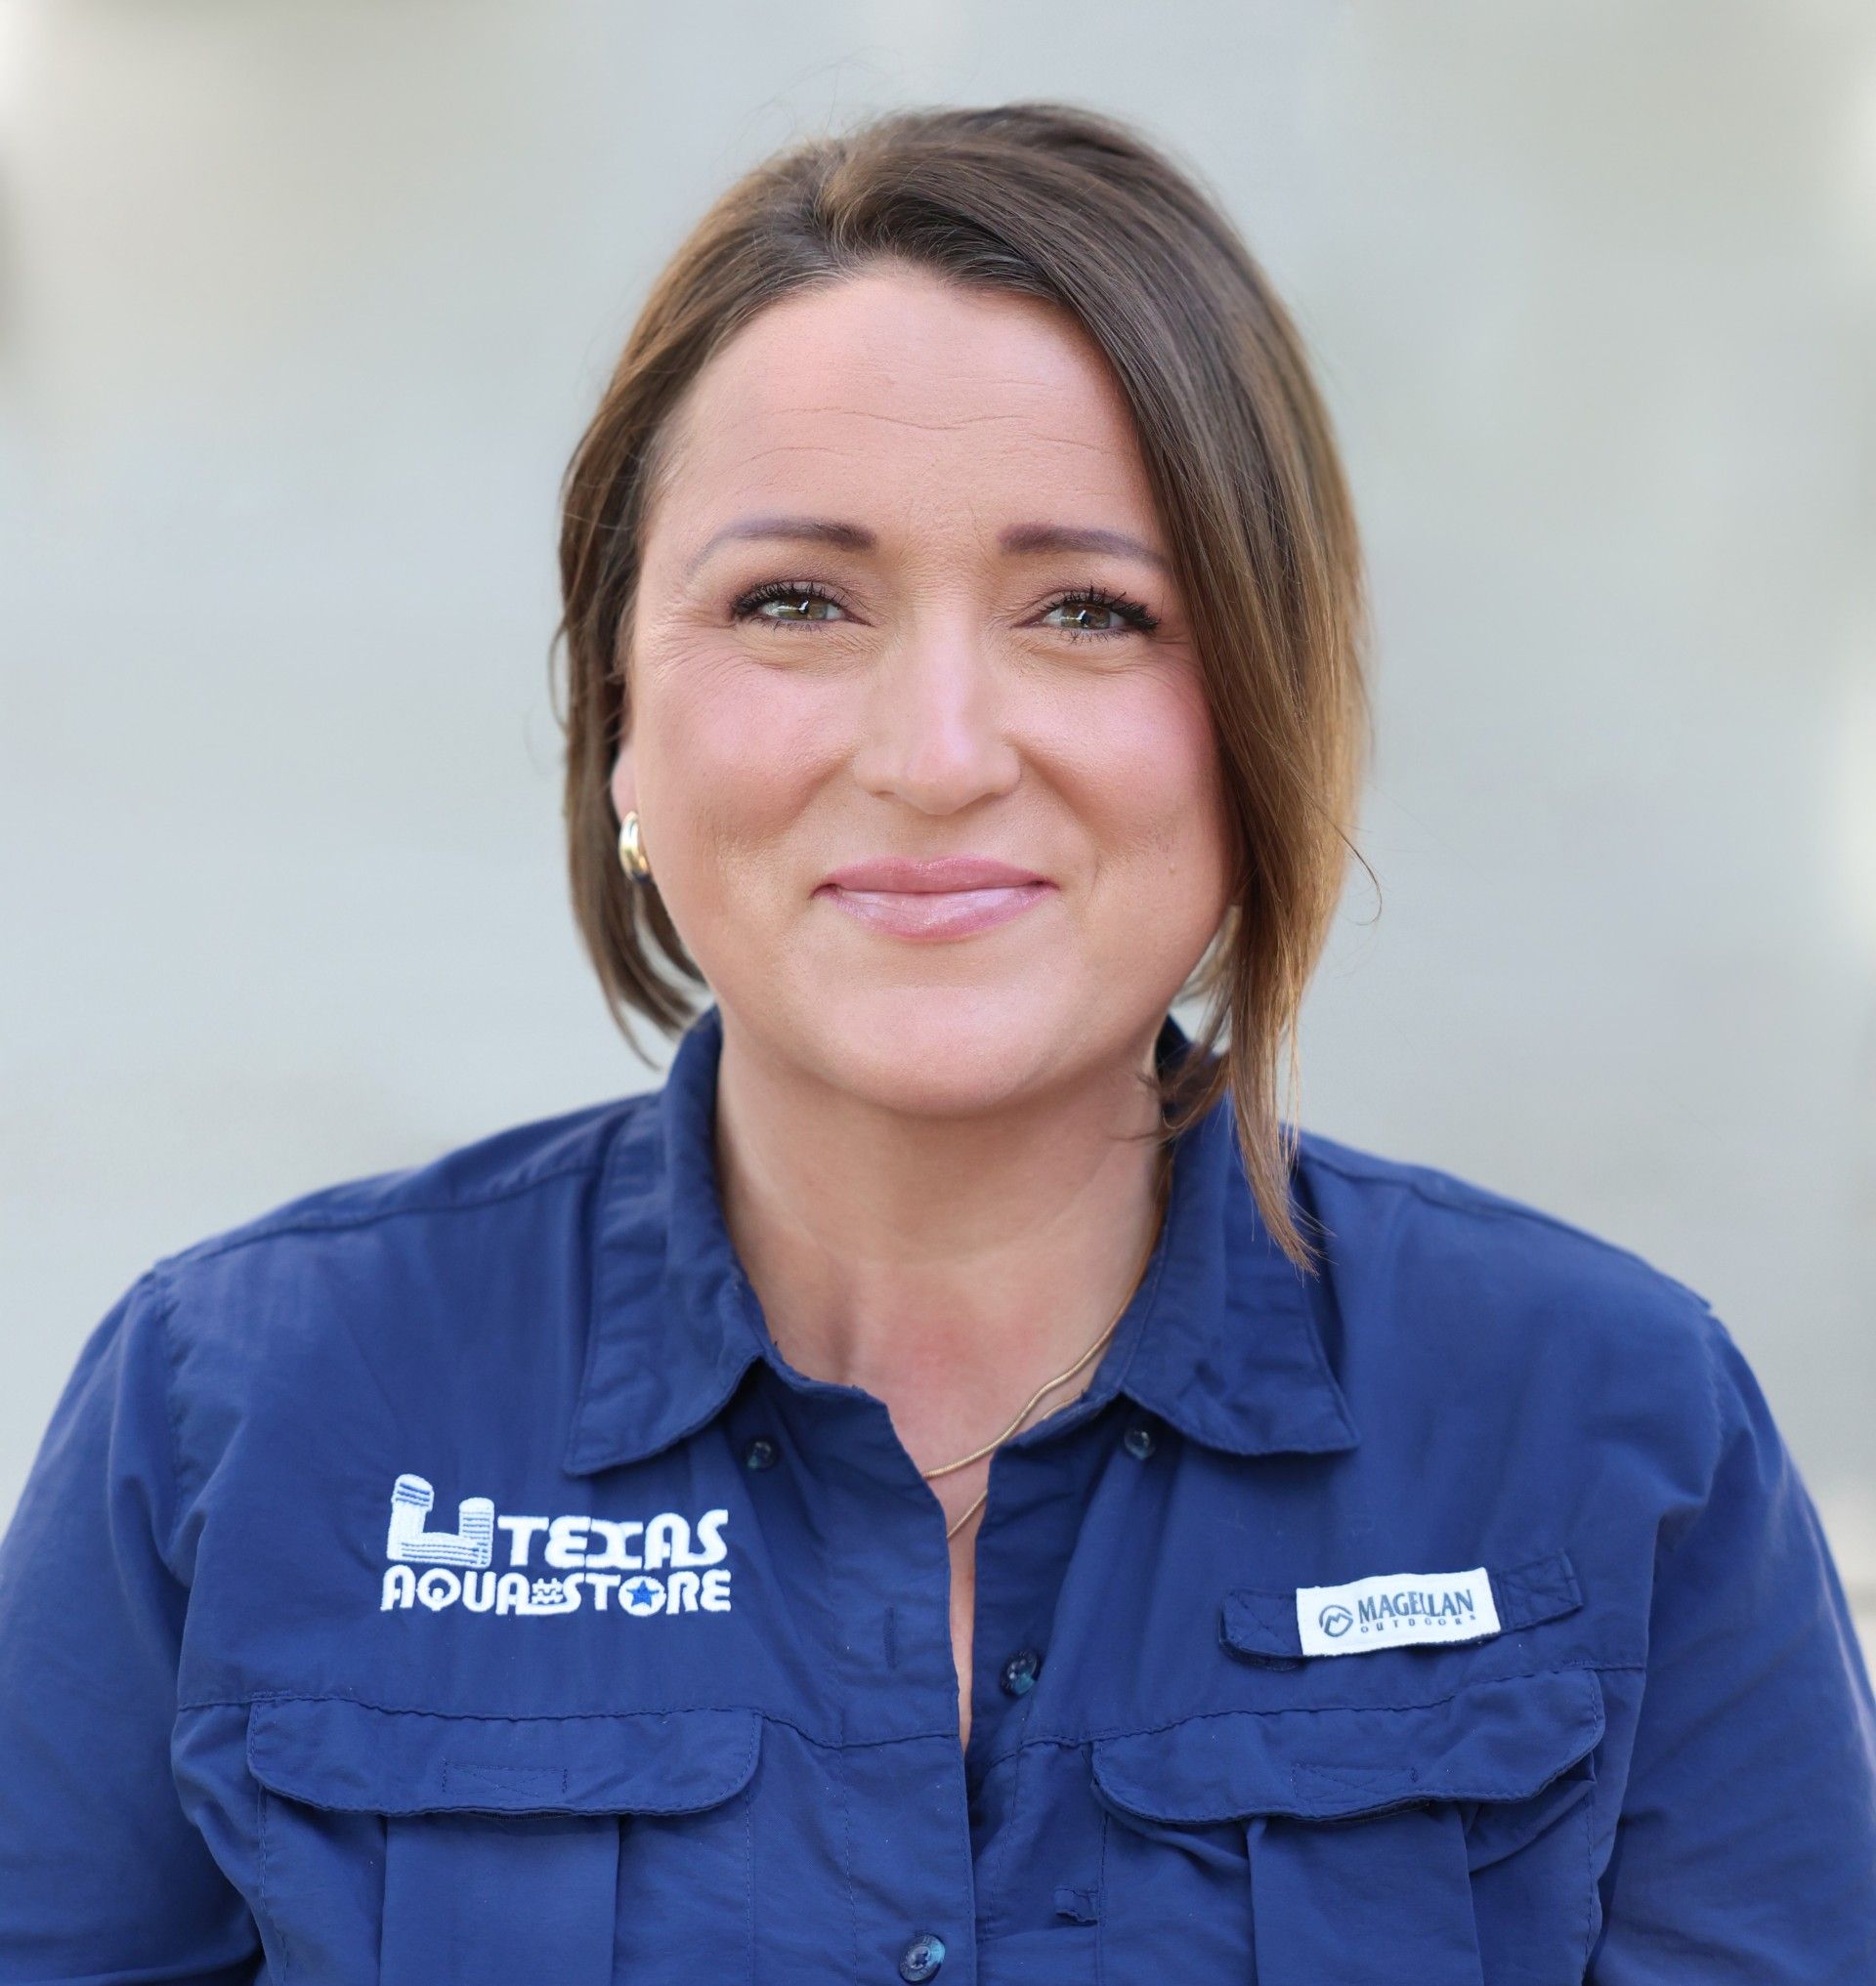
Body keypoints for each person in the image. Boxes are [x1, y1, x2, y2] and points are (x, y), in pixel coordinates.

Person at [1, 99, 1872, 1986]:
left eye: (1090, 610)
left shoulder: (1618, 1434)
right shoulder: (229, 1422)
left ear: (1259, 722)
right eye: (795, 602)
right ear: (622, 720)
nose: (939, 749)